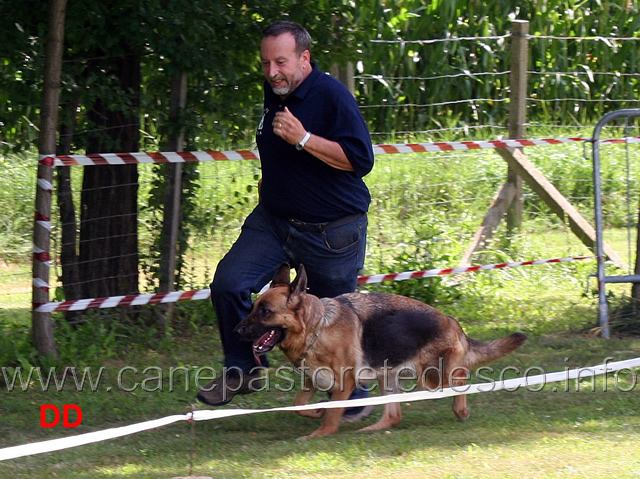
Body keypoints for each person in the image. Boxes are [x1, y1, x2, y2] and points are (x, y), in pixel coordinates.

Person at [197, 21, 374, 421]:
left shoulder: (332, 96)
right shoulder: (276, 91)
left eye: (281, 62)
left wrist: (304, 139)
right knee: (229, 284)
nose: (272, 71)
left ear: (304, 58)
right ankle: (242, 369)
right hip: (274, 221)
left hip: (332, 230)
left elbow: (361, 160)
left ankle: (355, 397)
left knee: (336, 318)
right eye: (265, 64)